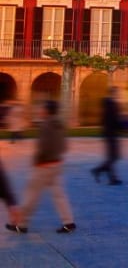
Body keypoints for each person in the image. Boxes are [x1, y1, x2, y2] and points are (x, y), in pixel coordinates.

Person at [12, 100, 75, 234]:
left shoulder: (46, 125)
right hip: (57, 164)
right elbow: (64, 146)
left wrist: (37, 160)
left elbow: (43, 147)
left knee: (31, 195)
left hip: (44, 165)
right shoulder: (59, 124)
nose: (40, 110)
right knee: (59, 196)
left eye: (42, 108)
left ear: (47, 110)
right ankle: (68, 222)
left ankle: (21, 224)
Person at [91, 86, 123, 185]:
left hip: (108, 132)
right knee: (113, 156)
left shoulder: (107, 103)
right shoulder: (112, 104)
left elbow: (106, 119)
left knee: (112, 156)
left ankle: (109, 177)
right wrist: (121, 127)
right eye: (117, 92)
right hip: (111, 133)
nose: (118, 94)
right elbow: (114, 119)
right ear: (113, 93)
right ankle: (99, 171)